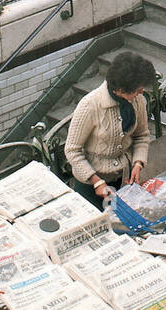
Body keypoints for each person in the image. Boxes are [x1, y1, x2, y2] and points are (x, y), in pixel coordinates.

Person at [63, 51, 157, 208]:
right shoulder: (90, 106)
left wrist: (138, 163)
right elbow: (72, 150)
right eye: (137, 89)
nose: (141, 92)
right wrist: (96, 181)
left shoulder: (137, 100)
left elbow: (141, 135)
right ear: (120, 90)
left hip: (122, 179)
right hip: (90, 185)